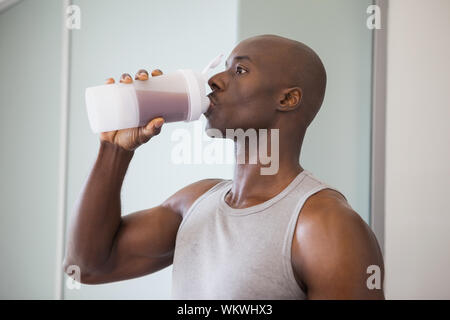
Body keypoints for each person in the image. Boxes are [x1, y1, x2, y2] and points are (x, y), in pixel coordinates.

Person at [63, 34, 385, 299]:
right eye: (224, 69)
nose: (215, 80)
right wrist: (114, 149)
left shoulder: (326, 226)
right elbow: (87, 267)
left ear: (288, 99)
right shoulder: (195, 204)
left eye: (239, 71)